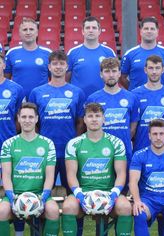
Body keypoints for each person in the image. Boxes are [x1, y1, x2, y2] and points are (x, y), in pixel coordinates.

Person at [61, 103, 133, 236]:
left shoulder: (116, 142)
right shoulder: (74, 144)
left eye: (98, 116)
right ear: (84, 120)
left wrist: (114, 194)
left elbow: (121, 173)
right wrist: (79, 195)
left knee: (125, 207)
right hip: (83, 193)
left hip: (109, 193)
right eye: (90, 116)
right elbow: (71, 175)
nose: (94, 119)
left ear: (104, 119)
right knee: (68, 206)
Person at [29, 50, 85, 193]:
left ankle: (76, 216)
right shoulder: (37, 92)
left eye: (62, 63)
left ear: (67, 67)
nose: (58, 67)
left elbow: (80, 122)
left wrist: (75, 143)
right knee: (41, 191)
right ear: (49, 67)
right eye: (55, 64)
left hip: (69, 152)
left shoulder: (77, 92)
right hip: (45, 151)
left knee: (73, 191)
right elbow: (33, 122)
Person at [0, 102, 60, 236]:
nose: (27, 120)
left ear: (37, 119)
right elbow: (6, 175)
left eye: (31, 117)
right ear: (19, 118)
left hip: (40, 194)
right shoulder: (8, 144)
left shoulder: (47, 143)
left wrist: (43, 198)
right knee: (2, 211)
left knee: (53, 210)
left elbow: (50, 176)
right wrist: (12, 198)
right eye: (24, 117)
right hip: (15, 194)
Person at [86, 57, 139, 169]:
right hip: (99, 152)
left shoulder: (131, 98)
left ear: (119, 73)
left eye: (114, 71)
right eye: (107, 71)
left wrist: (120, 142)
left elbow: (133, 127)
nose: (111, 75)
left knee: (125, 185)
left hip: (124, 151)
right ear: (101, 74)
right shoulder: (93, 98)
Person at [132, 55, 164, 153]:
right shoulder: (135, 95)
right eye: (151, 68)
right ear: (145, 70)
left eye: (157, 68)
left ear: (163, 70)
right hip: (140, 149)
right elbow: (132, 124)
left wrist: (161, 138)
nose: (154, 72)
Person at [120, 16, 164, 90]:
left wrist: (161, 91)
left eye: (152, 29)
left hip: (158, 98)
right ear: (140, 31)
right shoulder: (130, 54)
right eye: (146, 28)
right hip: (136, 99)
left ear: (157, 32)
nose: (149, 31)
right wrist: (133, 90)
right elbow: (121, 78)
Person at [66, 16, 116, 99]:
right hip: (79, 100)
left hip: (104, 99)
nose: (91, 30)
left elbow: (115, 76)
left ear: (99, 31)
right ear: (82, 31)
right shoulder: (73, 52)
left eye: (94, 28)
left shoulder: (109, 52)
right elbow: (66, 77)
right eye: (87, 28)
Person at [4, 17, 51, 100]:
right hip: (18, 99)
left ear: (37, 32)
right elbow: (5, 79)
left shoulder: (48, 53)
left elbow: (53, 79)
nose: (28, 32)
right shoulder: (11, 53)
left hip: (42, 99)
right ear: (19, 33)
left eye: (31, 29)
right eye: (25, 30)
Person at [0, 52, 25, 149]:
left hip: (9, 144)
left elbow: (21, 117)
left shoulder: (17, 89)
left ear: (4, 65)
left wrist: (11, 133)